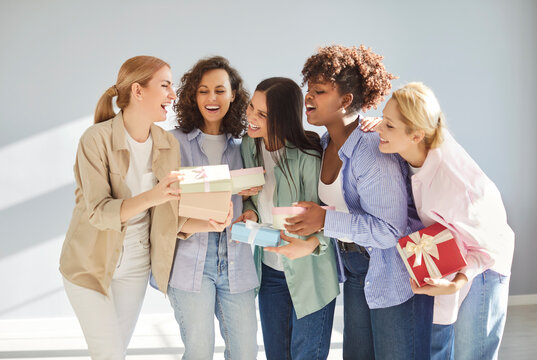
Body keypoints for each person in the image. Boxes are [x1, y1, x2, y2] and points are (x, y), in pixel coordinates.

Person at [59, 56, 227, 359]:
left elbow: (165, 216)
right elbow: (98, 211)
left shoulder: (166, 143)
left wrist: (207, 223)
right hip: (88, 265)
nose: (173, 95)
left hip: (135, 265)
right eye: (165, 86)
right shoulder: (95, 139)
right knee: (109, 353)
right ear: (138, 91)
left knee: (115, 352)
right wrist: (154, 195)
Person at [284, 45, 434, 359]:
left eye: (320, 91)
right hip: (355, 268)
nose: (308, 97)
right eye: (308, 90)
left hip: (391, 270)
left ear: (346, 100)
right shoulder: (325, 144)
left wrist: (324, 221)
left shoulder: (371, 151)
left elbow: (390, 231)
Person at [372, 82, 514, 360]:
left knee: (473, 354)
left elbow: (486, 247)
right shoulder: (418, 145)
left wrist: (458, 282)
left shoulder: (454, 185)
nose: (380, 129)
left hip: (485, 262)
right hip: (451, 254)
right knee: (439, 346)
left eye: (388, 126)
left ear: (416, 135)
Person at [234, 77, 340, 360]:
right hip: (269, 273)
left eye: (262, 114)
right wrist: (250, 212)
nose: (251, 117)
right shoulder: (248, 146)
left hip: (311, 274)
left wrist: (312, 243)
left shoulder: (308, 157)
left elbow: (332, 216)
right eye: (251, 107)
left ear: (282, 118)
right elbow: (253, 198)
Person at [165, 56, 259, 360]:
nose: (212, 98)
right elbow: (164, 208)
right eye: (203, 90)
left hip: (238, 261)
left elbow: (255, 202)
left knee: (245, 352)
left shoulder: (245, 146)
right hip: (191, 261)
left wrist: (252, 211)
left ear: (233, 95)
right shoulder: (172, 143)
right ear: (193, 96)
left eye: (220, 90)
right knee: (199, 352)